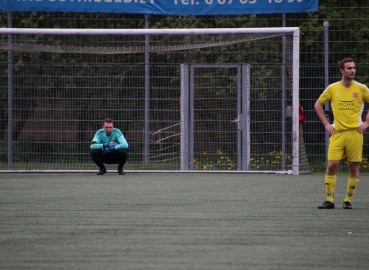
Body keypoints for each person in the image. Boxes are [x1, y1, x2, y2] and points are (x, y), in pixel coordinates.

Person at [314, 58, 369, 209]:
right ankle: (329, 200)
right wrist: (326, 123)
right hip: (337, 132)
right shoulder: (332, 88)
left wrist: (367, 122)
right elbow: (318, 104)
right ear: (342, 71)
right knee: (332, 165)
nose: (352, 70)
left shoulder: (361, 88)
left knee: (354, 166)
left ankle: (348, 200)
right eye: (349, 68)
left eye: (354, 68)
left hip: (355, 132)